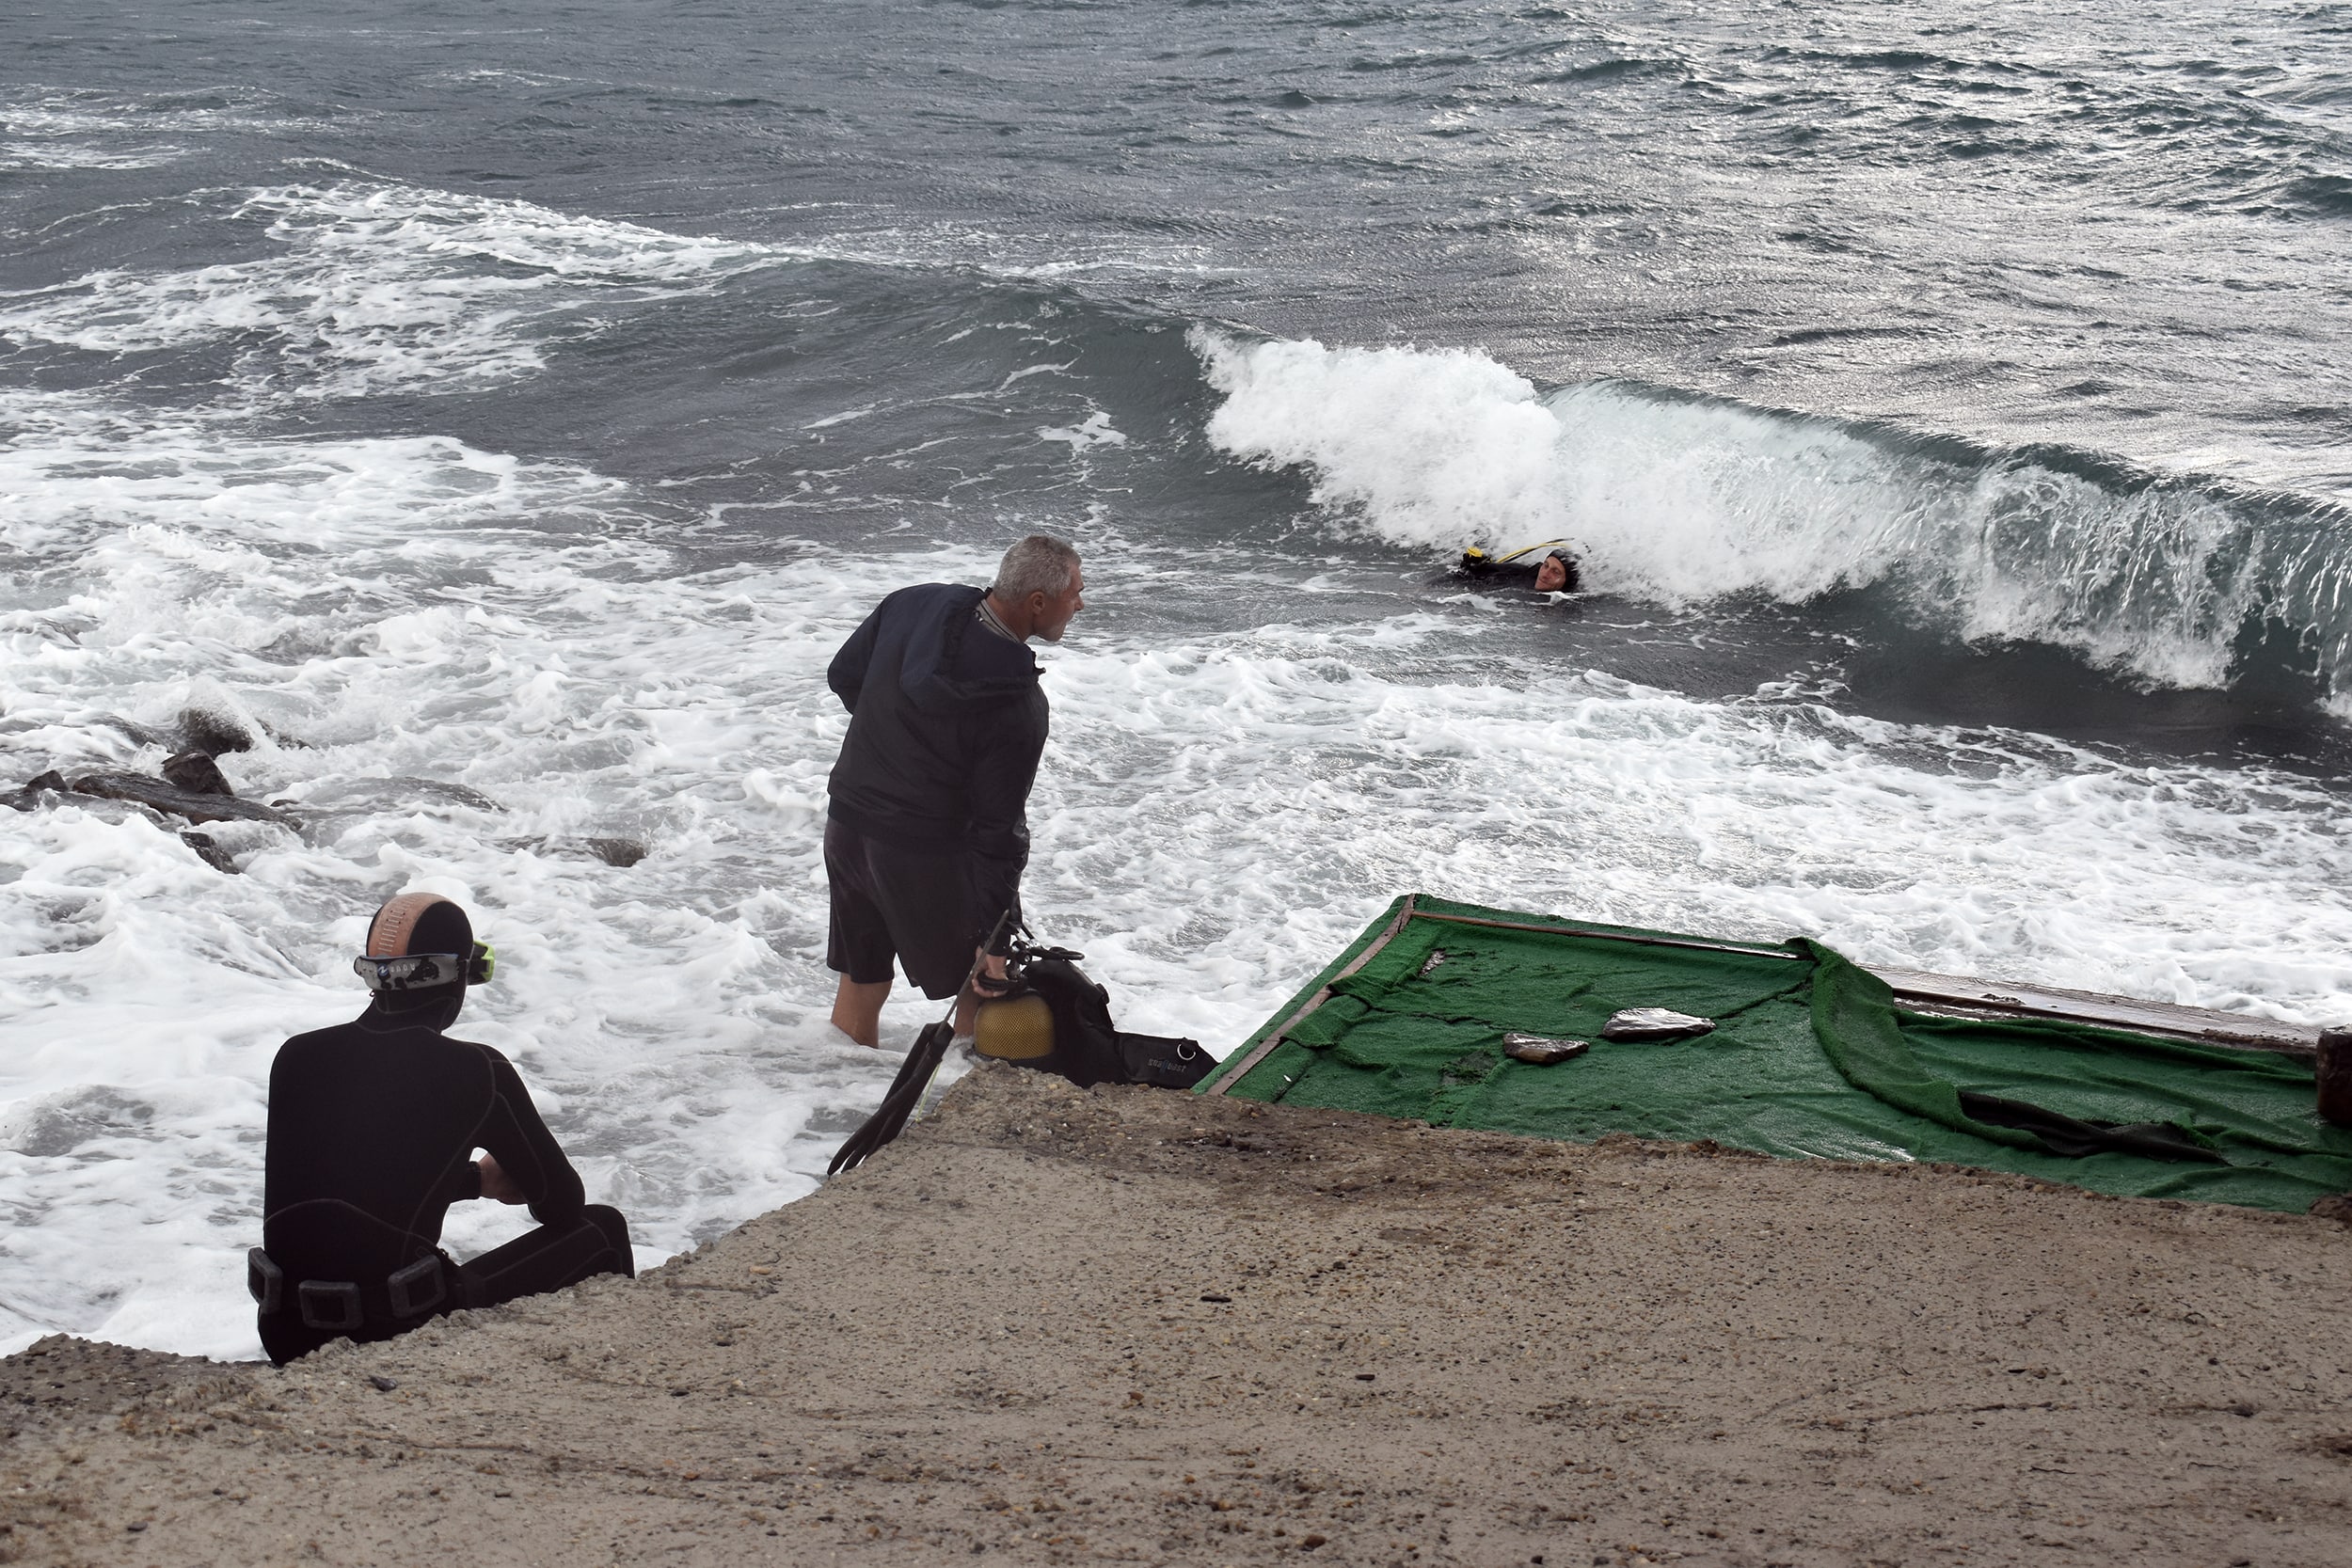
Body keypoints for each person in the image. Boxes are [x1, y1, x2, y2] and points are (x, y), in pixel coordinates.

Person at [249, 893, 634, 1366]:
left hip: (283, 1332)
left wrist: (475, 1182)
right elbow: (562, 1206)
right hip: (392, 1331)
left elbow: (349, 1177)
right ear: (458, 976)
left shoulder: (297, 1056)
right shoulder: (477, 1069)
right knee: (603, 1228)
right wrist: (500, 1179)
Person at [822, 533, 1086, 1048]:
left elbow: (844, 675)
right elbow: (997, 834)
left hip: (848, 822)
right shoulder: (1017, 709)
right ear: (1037, 603)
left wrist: (895, 743)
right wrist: (996, 939)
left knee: (862, 978)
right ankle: (952, 1112)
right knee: (980, 983)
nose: (1080, 603)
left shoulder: (915, 603)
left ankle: (834, 1100)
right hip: (920, 853)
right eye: (1075, 591)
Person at [1454, 542, 1581, 594]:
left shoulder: (1568, 603)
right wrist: (1476, 565)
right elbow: (1489, 569)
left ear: (1567, 581)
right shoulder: (1526, 573)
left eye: (1556, 572)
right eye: (1546, 565)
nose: (1545, 574)